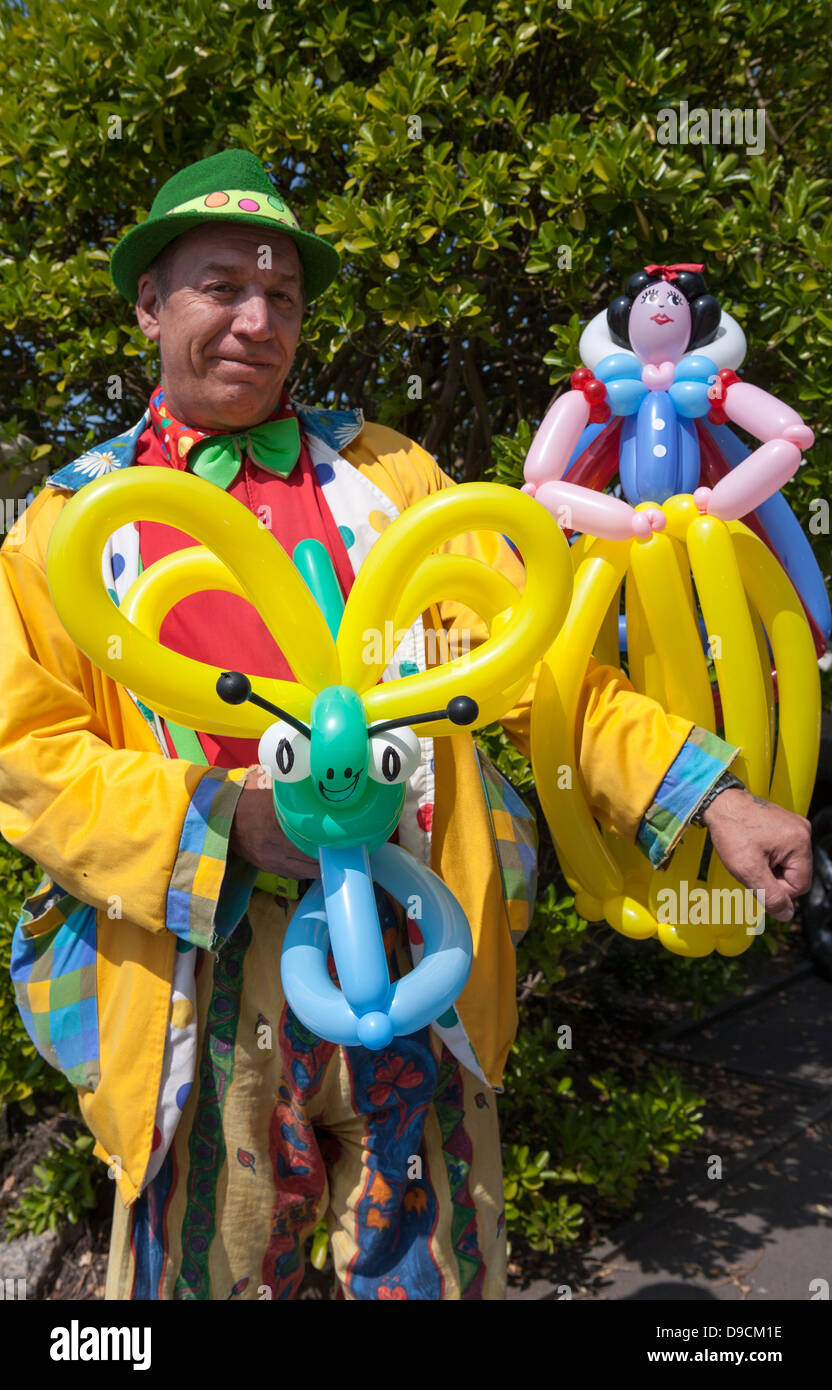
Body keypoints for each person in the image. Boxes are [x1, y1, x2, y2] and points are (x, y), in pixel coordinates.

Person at [0, 150, 813, 1302]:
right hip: (203, 981)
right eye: (221, 285)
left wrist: (709, 793)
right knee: (213, 1275)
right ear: (148, 307)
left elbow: (529, 665)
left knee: (430, 1272)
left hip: (416, 942)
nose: (255, 318)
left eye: (280, 296)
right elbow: (26, 758)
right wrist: (231, 820)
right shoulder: (62, 525)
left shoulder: (393, 475)